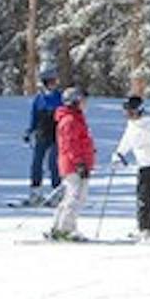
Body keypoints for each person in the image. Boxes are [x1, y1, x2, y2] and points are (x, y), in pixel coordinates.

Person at [114, 95, 150, 238]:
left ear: (140, 111)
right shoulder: (133, 125)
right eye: (126, 112)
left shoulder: (148, 125)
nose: (128, 116)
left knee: (144, 196)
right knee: (144, 194)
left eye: (131, 112)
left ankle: (145, 227)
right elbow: (127, 141)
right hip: (143, 164)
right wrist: (119, 153)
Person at [48, 87, 96, 241]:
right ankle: (66, 229)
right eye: (83, 101)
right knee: (76, 197)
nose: (85, 104)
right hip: (73, 165)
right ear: (74, 102)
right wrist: (79, 162)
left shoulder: (76, 119)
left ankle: (58, 227)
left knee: (72, 196)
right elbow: (69, 145)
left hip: (77, 164)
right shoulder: (70, 121)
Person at [23, 68, 64, 204]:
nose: (52, 84)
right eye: (49, 82)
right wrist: (29, 131)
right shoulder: (39, 99)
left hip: (56, 135)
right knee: (37, 163)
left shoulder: (60, 98)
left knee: (54, 162)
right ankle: (35, 192)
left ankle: (57, 192)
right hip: (42, 134)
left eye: (54, 81)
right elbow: (34, 117)